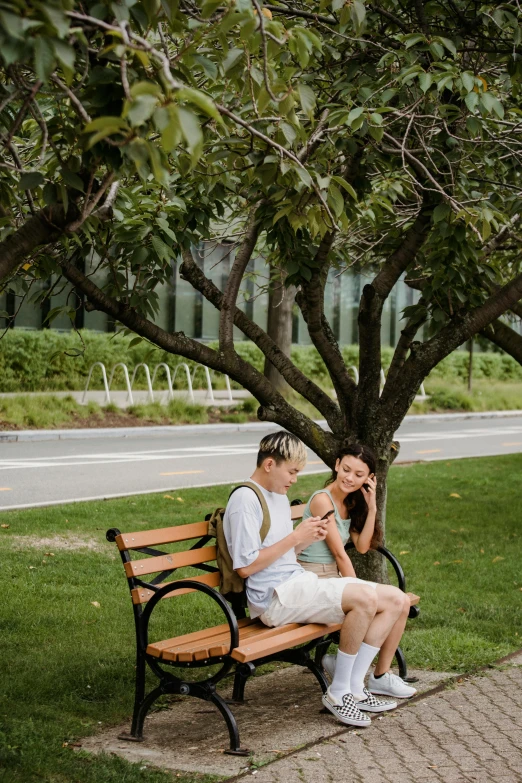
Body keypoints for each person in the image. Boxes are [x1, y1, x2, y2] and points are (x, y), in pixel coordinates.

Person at [223, 431, 410, 728]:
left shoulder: (278, 497)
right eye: (292, 471)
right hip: (274, 598)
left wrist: (303, 539)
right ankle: (339, 693)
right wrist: (296, 537)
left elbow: (283, 554)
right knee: (364, 599)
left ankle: (356, 688)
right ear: (270, 464)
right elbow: (246, 567)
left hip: (296, 583)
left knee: (394, 599)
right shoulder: (246, 499)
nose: (295, 479)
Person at [297, 443, 419, 700]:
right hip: (313, 577)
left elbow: (362, 547)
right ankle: (351, 676)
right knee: (387, 600)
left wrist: (371, 506)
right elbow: (341, 554)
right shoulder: (323, 500)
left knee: (402, 602)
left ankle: (379, 676)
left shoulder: (350, 501)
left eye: (359, 474)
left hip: (332, 577)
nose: (350, 478)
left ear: (369, 479)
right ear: (337, 464)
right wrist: (359, 589)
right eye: (346, 469)